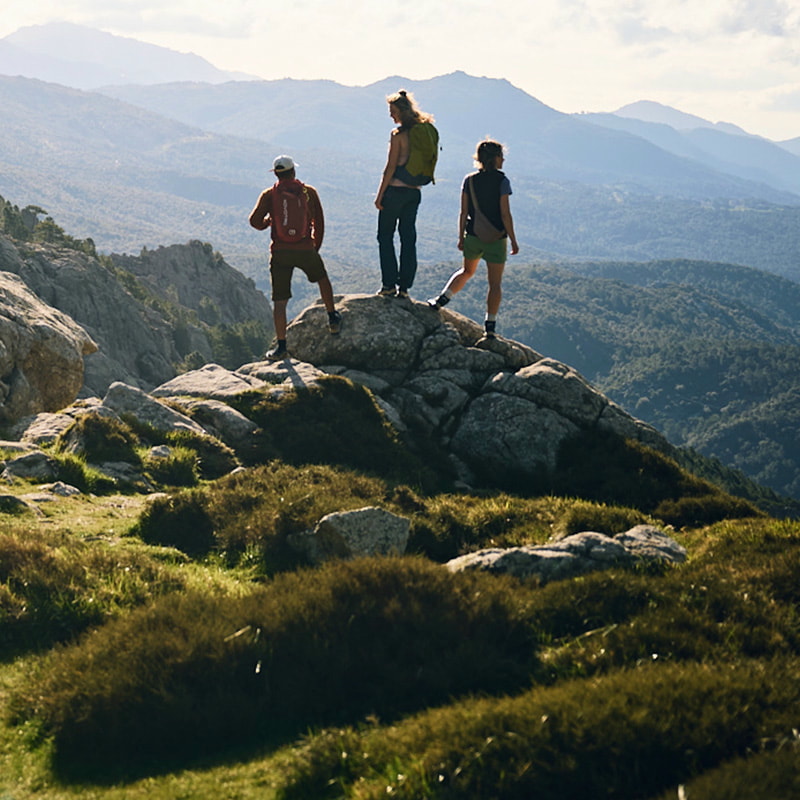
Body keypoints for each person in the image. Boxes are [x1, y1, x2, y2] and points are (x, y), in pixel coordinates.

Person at [249, 155, 342, 360]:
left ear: (275, 174)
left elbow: (254, 221)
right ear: (294, 172)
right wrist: (314, 248)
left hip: (280, 252)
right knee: (322, 279)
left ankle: (281, 347)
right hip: (305, 248)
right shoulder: (309, 192)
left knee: (280, 301)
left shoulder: (269, 195)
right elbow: (319, 223)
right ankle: (333, 318)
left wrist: (268, 222)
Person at [427, 139, 519, 339]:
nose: (503, 159)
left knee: (467, 271)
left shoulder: (469, 180)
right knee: (494, 284)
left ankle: (441, 300)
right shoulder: (502, 181)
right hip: (496, 238)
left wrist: (461, 237)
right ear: (495, 159)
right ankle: (490, 326)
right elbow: (505, 214)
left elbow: (463, 212)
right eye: (501, 156)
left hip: (474, 235)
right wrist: (513, 240)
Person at [374, 89, 435, 299]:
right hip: (414, 194)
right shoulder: (422, 131)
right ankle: (405, 287)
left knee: (385, 236)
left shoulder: (398, 135)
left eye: (393, 111)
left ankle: (389, 284)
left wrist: (379, 195)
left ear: (401, 111)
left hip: (395, 192)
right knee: (408, 238)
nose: (391, 116)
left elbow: (390, 167)